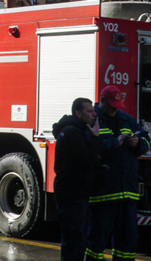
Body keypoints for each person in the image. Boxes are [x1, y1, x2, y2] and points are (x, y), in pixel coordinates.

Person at [86, 85, 150, 261]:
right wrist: (115, 142)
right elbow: (89, 149)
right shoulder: (92, 120)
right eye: (112, 106)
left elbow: (146, 139)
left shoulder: (126, 119)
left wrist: (138, 142)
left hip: (127, 192)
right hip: (103, 193)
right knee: (97, 239)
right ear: (102, 100)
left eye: (117, 105)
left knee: (128, 240)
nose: (115, 109)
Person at [52, 97, 102, 261]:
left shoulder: (76, 130)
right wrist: (95, 137)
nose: (94, 114)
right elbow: (87, 159)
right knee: (75, 240)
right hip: (72, 195)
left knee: (76, 239)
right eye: (90, 111)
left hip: (76, 193)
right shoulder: (73, 133)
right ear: (78, 113)